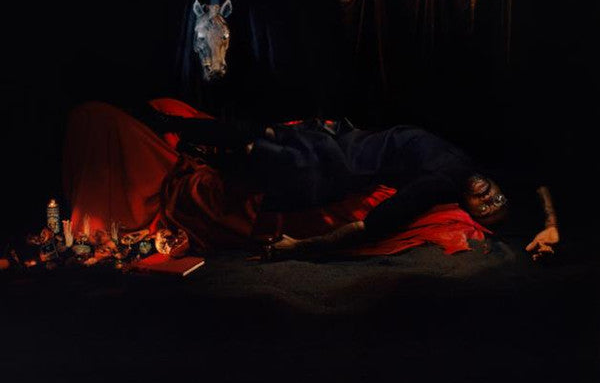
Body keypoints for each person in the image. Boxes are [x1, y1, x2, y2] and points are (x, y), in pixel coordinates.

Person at [141, 106, 560, 262]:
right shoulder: (475, 165)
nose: (490, 197)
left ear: (469, 209)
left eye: (487, 208)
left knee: (254, 148)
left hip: (333, 168)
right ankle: (169, 125)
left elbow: (368, 227)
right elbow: (538, 180)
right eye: (499, 197)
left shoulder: (437, 184)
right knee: (258, 133)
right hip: (344, 138)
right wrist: (550, 224)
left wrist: (298, 248)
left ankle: (184, 141)